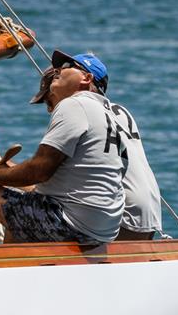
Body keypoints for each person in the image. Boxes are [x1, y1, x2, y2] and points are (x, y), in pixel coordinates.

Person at [0, 50, 128, 245]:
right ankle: (9, 270)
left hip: (73, 226)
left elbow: (40, 170)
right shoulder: (110, 115)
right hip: (104, 230)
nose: (57, 71)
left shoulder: (75, 104)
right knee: (23, 209)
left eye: (66, 67)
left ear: (86, 78)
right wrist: (11, 173)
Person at [28, 62, 162, 240]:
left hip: (120, 218)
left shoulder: (77, 110)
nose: (49, 108)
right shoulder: (119, 112)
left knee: (17, 207)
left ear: (85, 81)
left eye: (49, 98)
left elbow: (44, 177)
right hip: (149, 217)